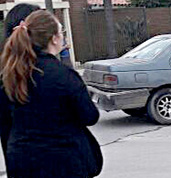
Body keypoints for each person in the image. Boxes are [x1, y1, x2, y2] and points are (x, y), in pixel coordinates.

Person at [0, 10, 102, 177]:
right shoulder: (63, 76)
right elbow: (90, 116)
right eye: (61, 32)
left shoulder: (11, 74)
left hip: (22, 161)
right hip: (63, 161)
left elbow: (6, 121)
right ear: (54, 38)